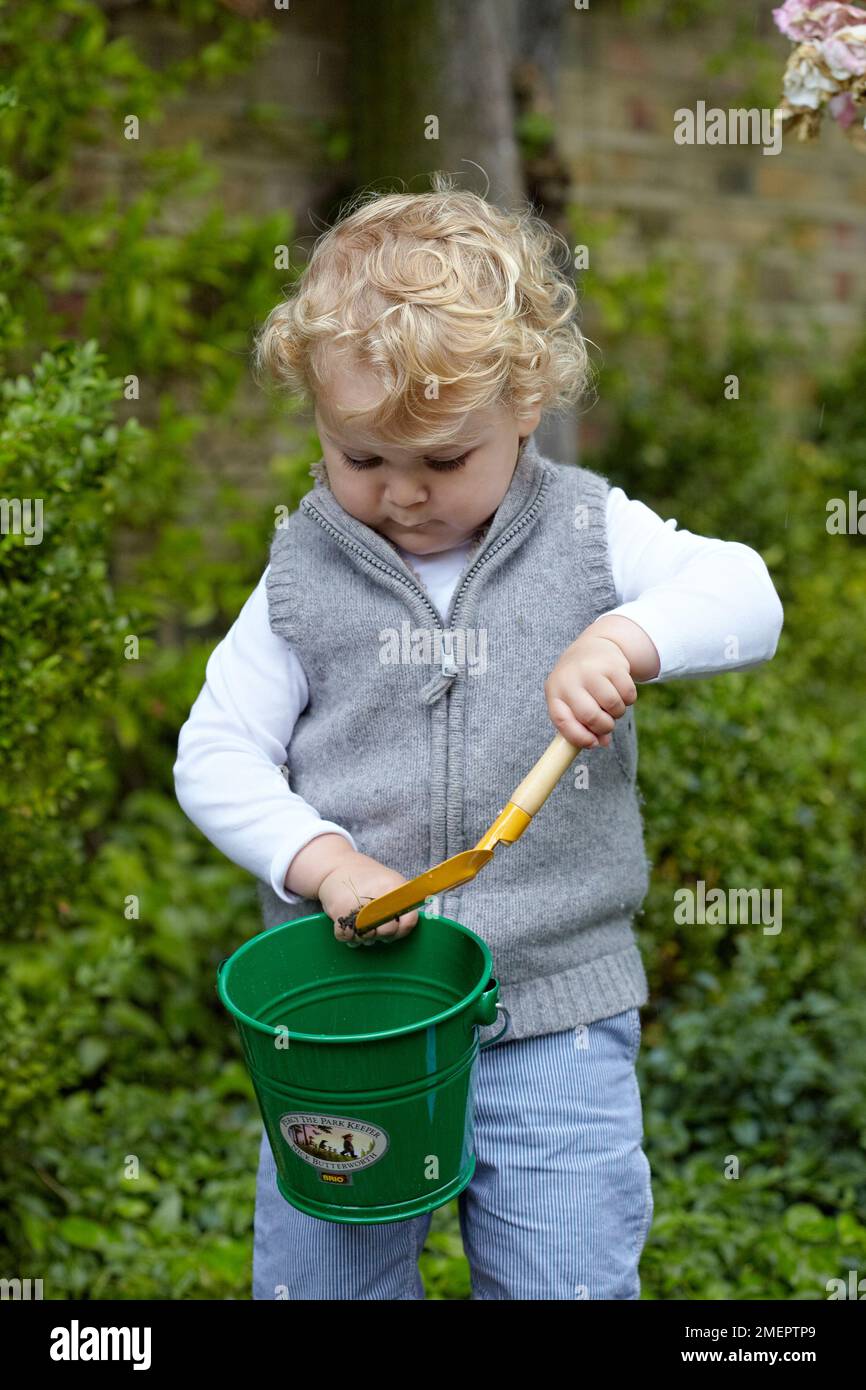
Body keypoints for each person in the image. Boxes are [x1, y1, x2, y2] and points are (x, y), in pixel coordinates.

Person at [173, 172, 784, 1300]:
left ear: (524, 404)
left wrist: (629, 636)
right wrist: (324, 862)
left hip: (555, 1014)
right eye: (360, 459)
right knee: (326, 1287)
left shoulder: (593, 534)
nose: (402, 495)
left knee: (566, 1280)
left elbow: (744, 591)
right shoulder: (301, 573)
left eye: (442, 460)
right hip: (353, 1027)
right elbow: (215, 751)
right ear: (315, 412)